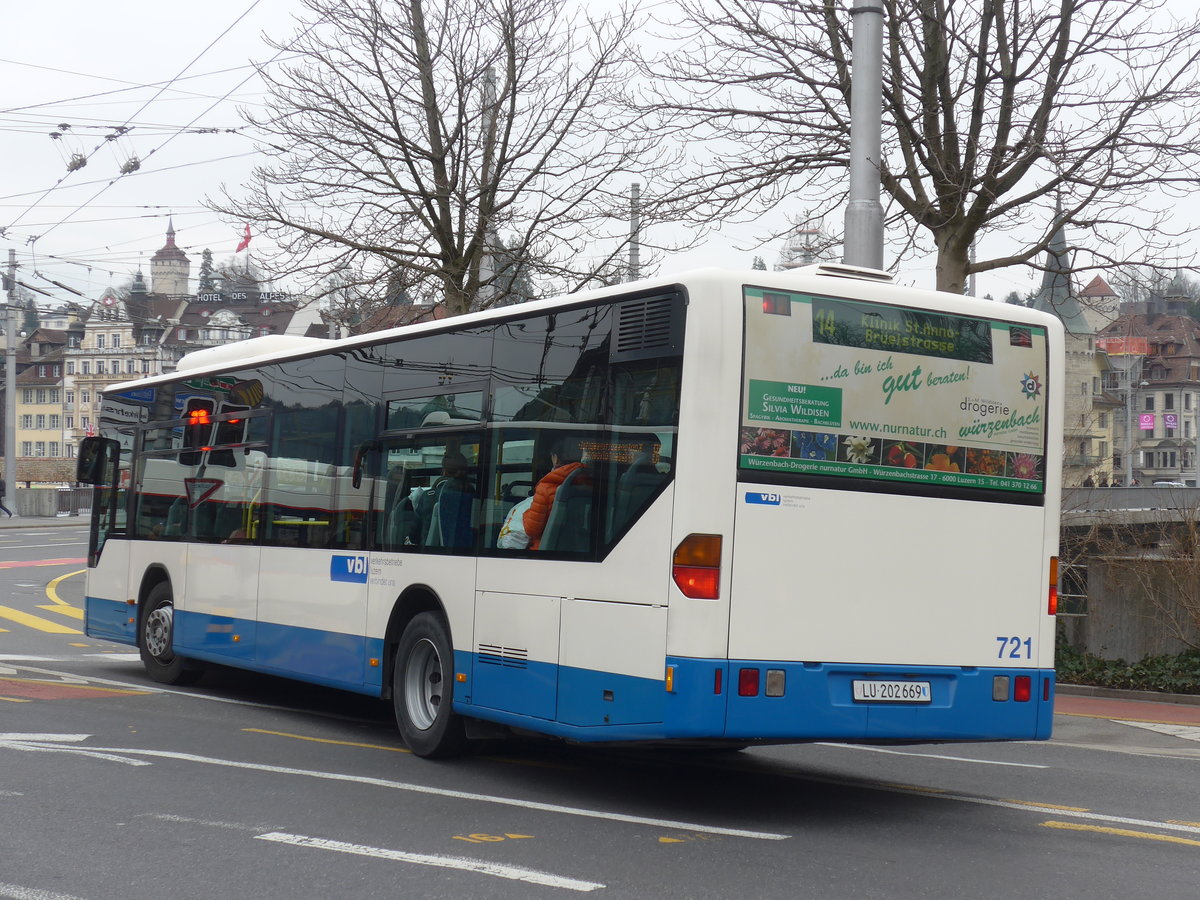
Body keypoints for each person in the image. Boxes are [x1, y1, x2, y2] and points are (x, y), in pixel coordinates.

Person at [522, 438, 590, 551]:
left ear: (556, 458)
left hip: (545, 551)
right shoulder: (587, 483)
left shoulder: (546, 488)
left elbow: (531, 530)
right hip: (578, 548)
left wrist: (525, 514)